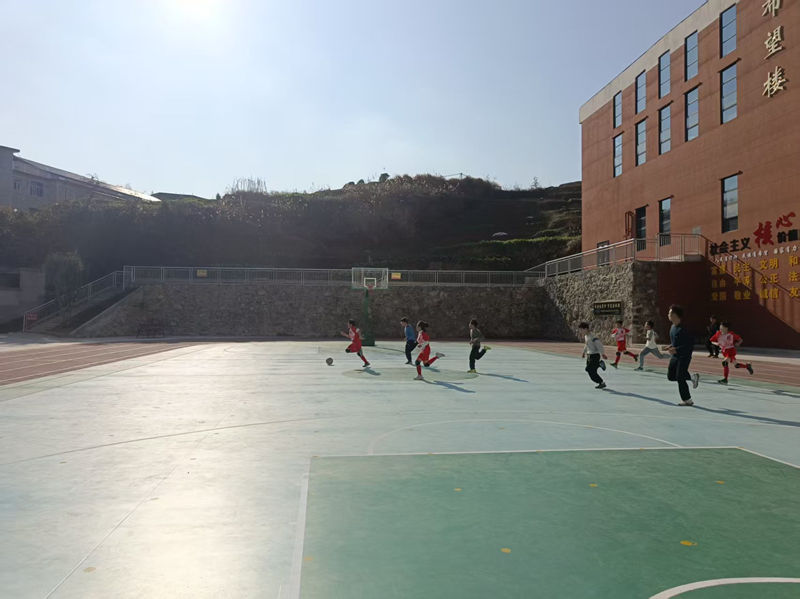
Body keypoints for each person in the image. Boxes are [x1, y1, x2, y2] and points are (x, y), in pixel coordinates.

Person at [663, 305, 700, 406]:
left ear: (675, 315)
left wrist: (676, 349)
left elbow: (689, 345)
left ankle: (687, 400)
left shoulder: (684, 329)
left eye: (669, 313)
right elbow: (675, 342)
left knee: (680, 377)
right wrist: (670, 346)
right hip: (675, 356)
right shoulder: (672, 327)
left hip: (684, 356)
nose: (668, 315)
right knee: (671, 376)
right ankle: (692, 377)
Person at [579, 322, 608, 389]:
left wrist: (602, 353)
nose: (580, 331)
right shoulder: (586, 336)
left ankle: (599, 364)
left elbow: (599, 345)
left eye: (581, 330)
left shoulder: (593, 336)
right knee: (591, 372)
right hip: (589, 356)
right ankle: (601, 383)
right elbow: (586, 345)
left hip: (595, 356)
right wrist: (583, 352)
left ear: (586, 329)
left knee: (588, 369)